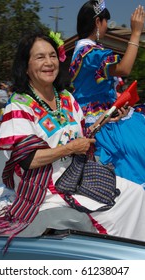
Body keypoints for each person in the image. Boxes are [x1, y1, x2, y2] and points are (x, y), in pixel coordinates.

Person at [0, 29, 145, 252]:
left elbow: (81, 134)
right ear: (25, 66)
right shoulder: (19, 105)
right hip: (43, 184)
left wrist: (106, 120)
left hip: (76, 174)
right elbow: (27, 159)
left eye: (52, 56)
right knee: (110, 211)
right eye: (40, 57)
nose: (49, 62)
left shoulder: (66, 98)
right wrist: (70, 148)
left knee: (135, 194)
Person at [69, 0, 145, 185]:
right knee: (132, 161)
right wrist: (135, 32)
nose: (106, 27)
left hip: (104, 114)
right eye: (105, 22)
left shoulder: (84, 51)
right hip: (100, 121)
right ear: (97, 22)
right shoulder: (89, 53)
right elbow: (124, 68)